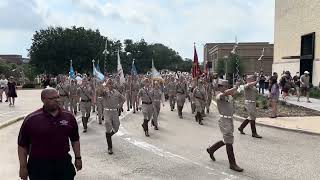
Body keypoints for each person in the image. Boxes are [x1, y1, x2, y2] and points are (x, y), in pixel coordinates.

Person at [17, 88, 82, 180]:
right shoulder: (31, 119)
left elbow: (75, 139)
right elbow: (22, 145)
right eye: (52, 98)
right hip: (39, 165)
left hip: (63, 163)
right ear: (43, 100)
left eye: (57, 97)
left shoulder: (68, 116)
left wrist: (78, 158)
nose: (56, 100)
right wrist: (23, 167)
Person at [206, 79, 243, 172]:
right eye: (224, 86)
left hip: (229, 120)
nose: (226, 87)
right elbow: (225, 93)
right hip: (224, 120)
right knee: (229, 141)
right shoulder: (219, 96)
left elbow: (232, 94)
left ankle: (211, 149)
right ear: (219, 87)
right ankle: (232, 164)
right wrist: (236, 87)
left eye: (227, 86)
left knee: (226, 140)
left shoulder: (229, 96)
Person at [102, 79, 126, 154]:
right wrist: (103, 86)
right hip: (107, 111)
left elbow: (123, 99)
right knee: (107, 123)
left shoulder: (116, 92)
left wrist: (120, 105)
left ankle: (108, 136)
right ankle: (110, 147)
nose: (110, 85)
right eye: (109, 84)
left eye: (111, 84)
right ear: (107, 85)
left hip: (114, 112)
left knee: (116, 127)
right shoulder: (105, 92)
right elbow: (99, 93)